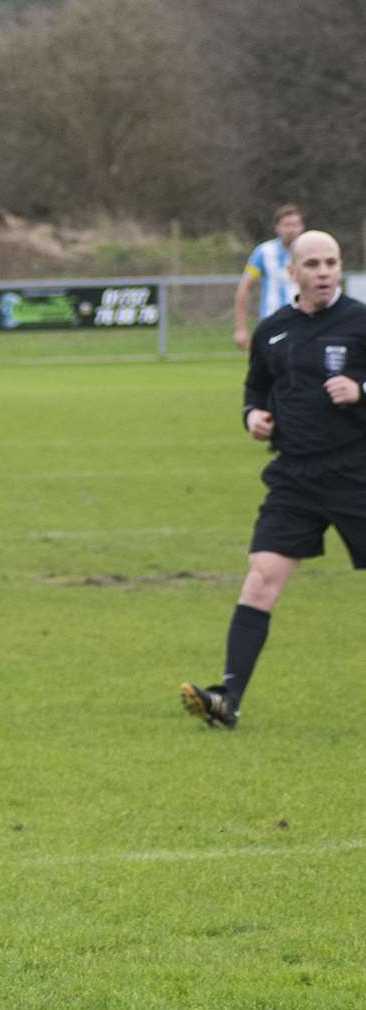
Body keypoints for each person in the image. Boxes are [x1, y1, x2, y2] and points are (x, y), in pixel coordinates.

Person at [182, 229, 366, 728]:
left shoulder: (360, 322)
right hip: (294, 477)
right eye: (313, 264)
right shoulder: (272, 330)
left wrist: (362, 388)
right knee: (261, 578)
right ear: (293, 273)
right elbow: (256, 386)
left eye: (332, 262)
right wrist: (253, 416)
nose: (324, 272)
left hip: (356, 470)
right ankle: (228, 700)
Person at [233, 203, 304, 351]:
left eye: (295, 224)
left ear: (302, 227)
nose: (291, 229)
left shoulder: (310, 251)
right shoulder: (264, 252)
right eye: (287, 225)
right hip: (272, 324)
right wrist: (241, 328)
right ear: (277, 228)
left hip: (303, 322)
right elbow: (244, 288)